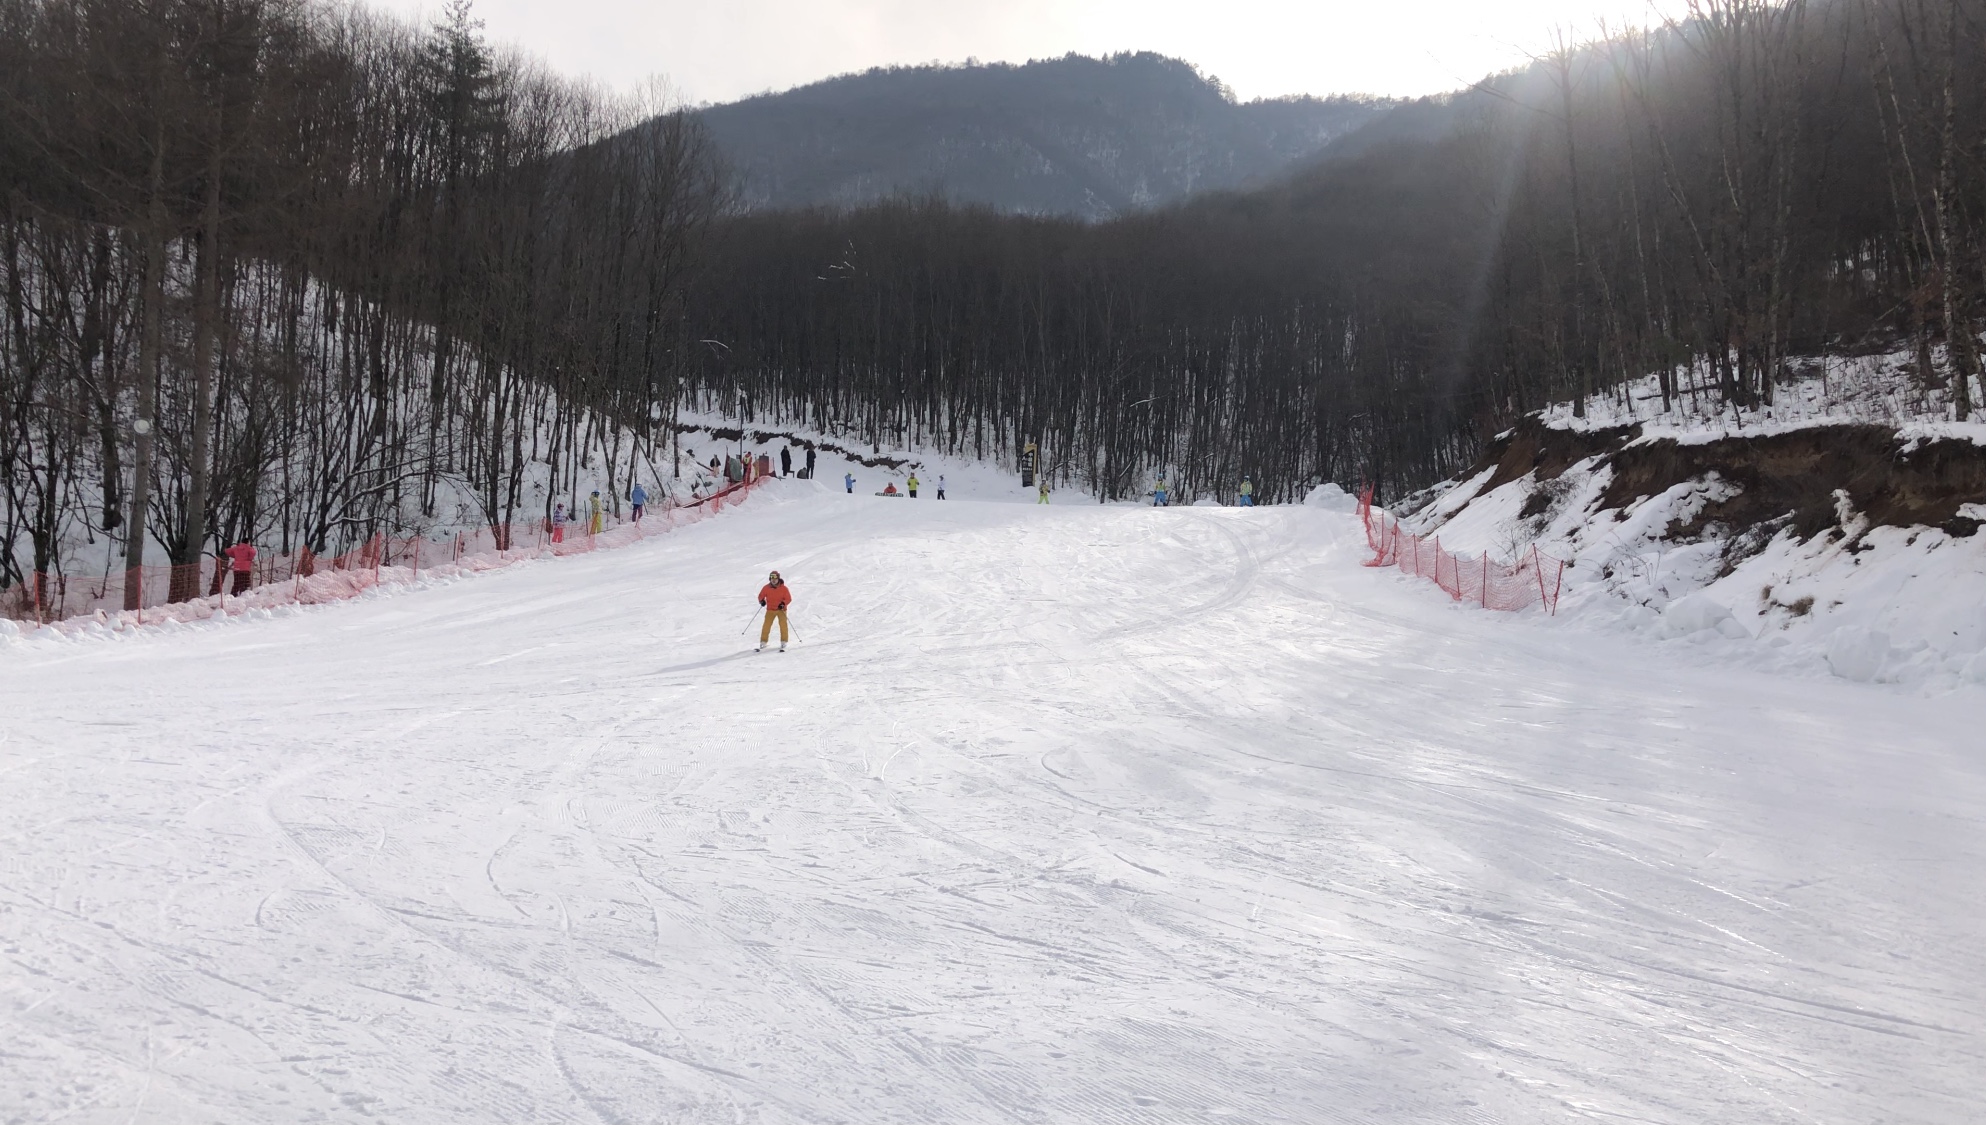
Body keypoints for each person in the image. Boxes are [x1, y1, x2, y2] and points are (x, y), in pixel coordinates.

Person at [757, 570, 792, 652]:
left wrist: (783, 603)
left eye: (775, 578)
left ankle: (784, 641)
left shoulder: (784, 588)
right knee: (766, 625)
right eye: (772, 578)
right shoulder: (766, 588)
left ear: (778, 578)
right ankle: (763, 641)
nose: (773, 580)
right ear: (770, 579)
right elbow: (761, 596)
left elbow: (788, 598)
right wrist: (761, 601)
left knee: (783, 625)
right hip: (770, 609)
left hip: (781, 610)